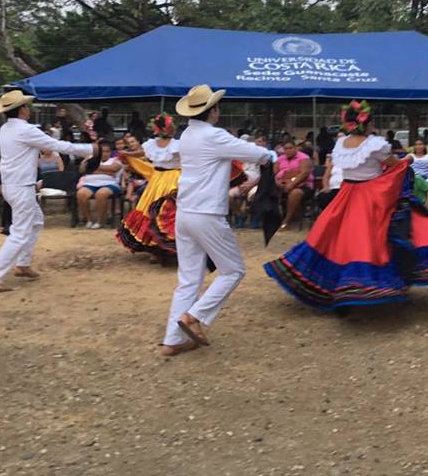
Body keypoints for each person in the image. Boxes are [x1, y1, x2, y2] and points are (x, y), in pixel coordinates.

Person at [264, 99, 428, 312]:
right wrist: (408, 161)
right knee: (415, 227)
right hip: (372, 196)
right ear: (366, 123)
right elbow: (395, 166)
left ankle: (343, 292)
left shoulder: (341, 143)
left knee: (338, 240)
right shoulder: (375, 144)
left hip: (346, 195)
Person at [162, 85, 276, 358]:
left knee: (188, 279)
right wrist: (272, 156)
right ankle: (193, 316)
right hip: (206, 213)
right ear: (212, 110)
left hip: (186, 212)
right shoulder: (214, 135)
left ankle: (171, 341)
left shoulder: (187, 134)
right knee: (234, 270)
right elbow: (258, 155)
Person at [0, 91, 98, 293]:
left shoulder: (6, 128)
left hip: (13, 185)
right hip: (21, 186)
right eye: (26, 106)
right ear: (22, 110)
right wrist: (90, 149)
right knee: (20, 232)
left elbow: (43, 148)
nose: (29, 109)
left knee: (35, 222)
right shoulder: (25, 130)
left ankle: (23, 265)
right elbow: (58, 145)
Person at [116, 113, 183, 260]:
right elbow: (140, 152)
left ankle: (170, 249)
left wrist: (128, 153)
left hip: (173, 180)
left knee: (168, 212)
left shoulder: (178, 145)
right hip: (158, 180)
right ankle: (156, 248)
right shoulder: (152, 144)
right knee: (155, 212)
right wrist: (127, 153)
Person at [76, 141, 122, 229]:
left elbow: (113, 169)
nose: (105, 153)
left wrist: (92, 168)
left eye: (107, 151)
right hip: (90, 183)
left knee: (101, 194)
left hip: (109, 184)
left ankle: (100, 221)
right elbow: (82, 170)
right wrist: (106, 170)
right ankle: (89, 219)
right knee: (81, 194)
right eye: (102, 151)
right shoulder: (89, 159)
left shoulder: (116, 160)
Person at [275, 139, 313, 231]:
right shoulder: (280, 159)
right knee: (267, 191)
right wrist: (277, 182)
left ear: (295, 148)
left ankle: (286, 221)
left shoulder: (304, 158)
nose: (288, 150)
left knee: (295, 193)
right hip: (282, 184)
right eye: (286, 149)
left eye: (290, 148)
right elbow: (273, 173)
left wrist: (291, 184)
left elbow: (304, 173)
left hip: (303, 185)